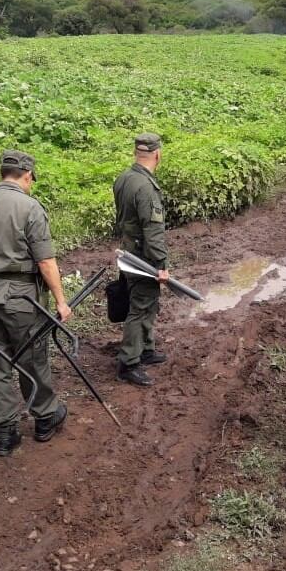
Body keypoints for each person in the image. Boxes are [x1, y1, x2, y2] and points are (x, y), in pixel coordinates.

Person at [0, 150, 72, 456]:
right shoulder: (29, 208)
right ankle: (46, 417)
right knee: (31, 357)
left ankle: (5, 431)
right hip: (21, 298)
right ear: (27, 175)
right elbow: (46, 261)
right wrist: (61, 301)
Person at [112, 132, 171, 387]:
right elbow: (153, 230)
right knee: (141, 307)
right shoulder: (146, 187)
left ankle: (145, 349)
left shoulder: (124, 178)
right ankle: (129, 363)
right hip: (143, 258)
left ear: (138, 153)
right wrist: (161, 266)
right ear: (157, 154)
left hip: (128, 251)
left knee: (147, 301)